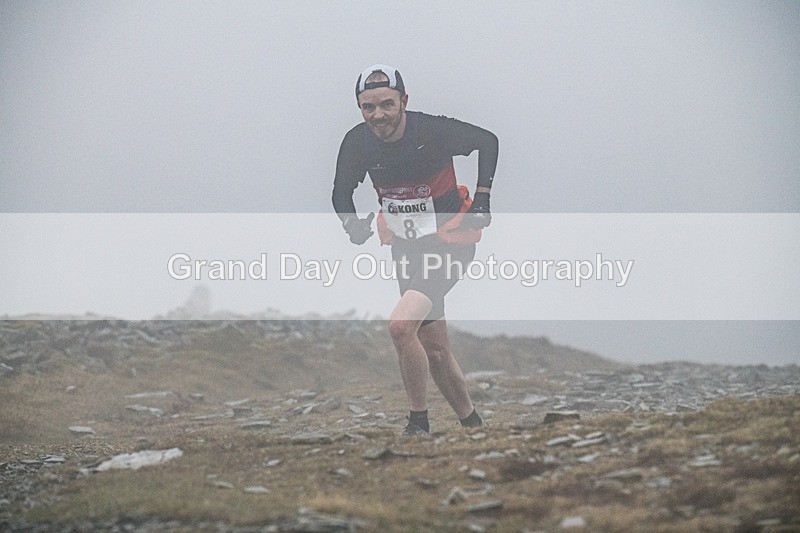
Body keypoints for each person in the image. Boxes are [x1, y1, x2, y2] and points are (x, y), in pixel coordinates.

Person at [332, 64, 498, 435]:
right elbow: (340, 193)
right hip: (407, 249)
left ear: (404, 101)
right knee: (435, 349)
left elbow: (488, 141)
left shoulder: (433, 131)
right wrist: (352, 225)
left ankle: (417, 424)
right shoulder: (358, 142)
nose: (379, 116)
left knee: (400, 326)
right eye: (368, 107)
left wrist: (483, 199)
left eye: (387, 105)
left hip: (451, 243)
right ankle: (473, 424)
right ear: (360, 108)